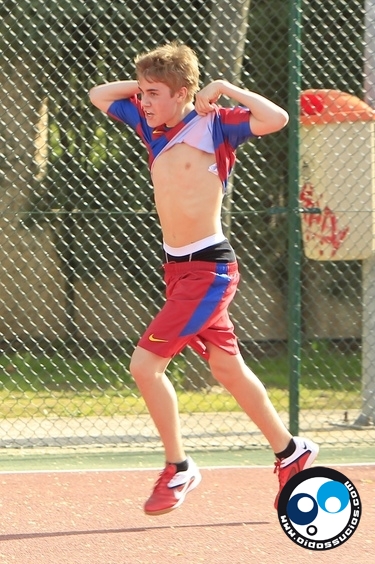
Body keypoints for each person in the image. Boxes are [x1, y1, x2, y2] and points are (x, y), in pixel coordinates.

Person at [89, 42, 319, 516]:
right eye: (143, 94)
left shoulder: (216, 125)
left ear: (183, 93)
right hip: (177, 270)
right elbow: (98, 95)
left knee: (144, 366)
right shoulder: (149, 126)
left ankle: (179, 467)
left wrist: (225, 88)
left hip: (210, 269)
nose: (144, 101)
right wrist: (147, 84)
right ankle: (289, 451)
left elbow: (276, 118)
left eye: (155, 94)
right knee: (226, 368)